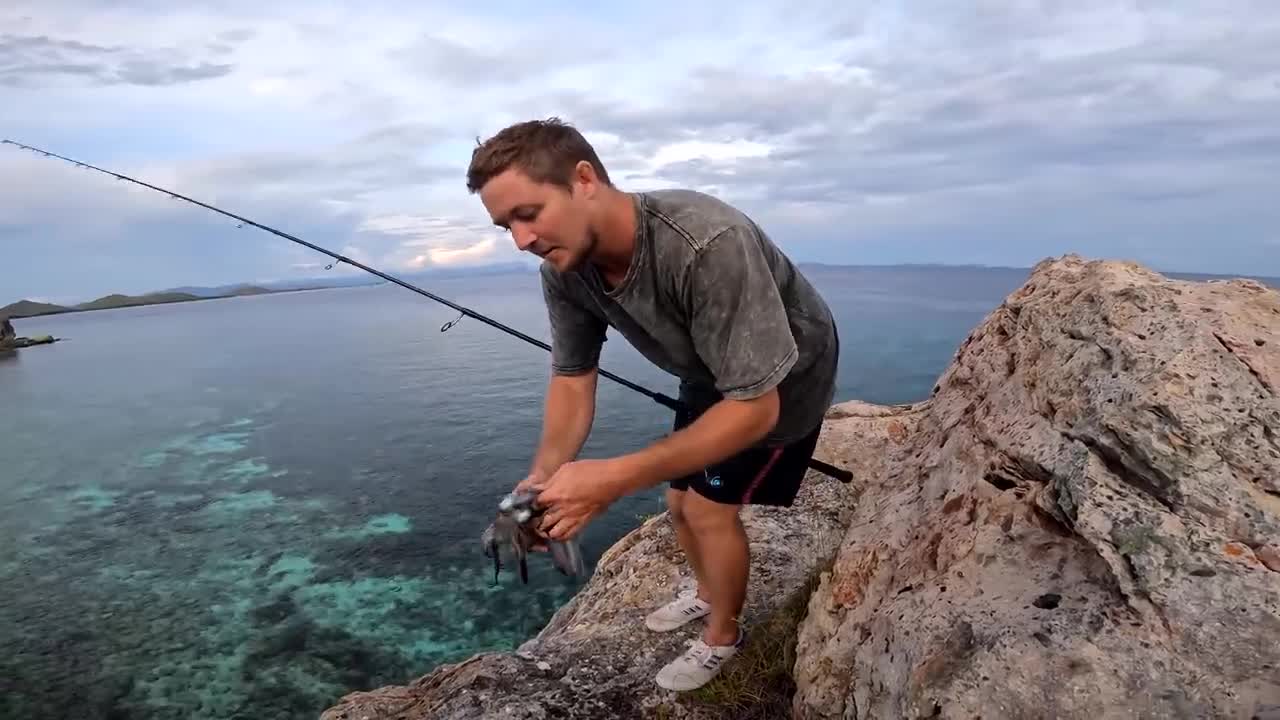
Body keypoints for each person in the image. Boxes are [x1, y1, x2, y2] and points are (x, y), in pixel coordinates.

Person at [465, 117, 840, 691]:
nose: (520, 240)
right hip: (708, 369)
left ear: (584, 179)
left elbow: (755, 409)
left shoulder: (705, 243)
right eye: (504, 226)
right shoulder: (565, 271)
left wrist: (611, 478)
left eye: (528, 214)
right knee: (678, 500)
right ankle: (710, 590)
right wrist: (542, 479)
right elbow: (571, 377)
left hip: (780, 380)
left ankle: (724, 634)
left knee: (710, 510)